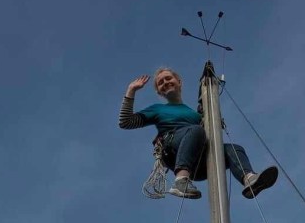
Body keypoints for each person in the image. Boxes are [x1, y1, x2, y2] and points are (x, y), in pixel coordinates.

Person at [119, 67, 278, 200]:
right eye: (161, 82)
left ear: (179, 82)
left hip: (198, 163)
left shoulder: (194, 115)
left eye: (168, 78)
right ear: (159, 92)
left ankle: (250, 180)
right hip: (173, 152)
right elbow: (126, 122)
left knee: (234, 148)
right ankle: (180, 181)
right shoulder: (157, 109)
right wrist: (131, 90)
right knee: (195, 130)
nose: (165, 82)